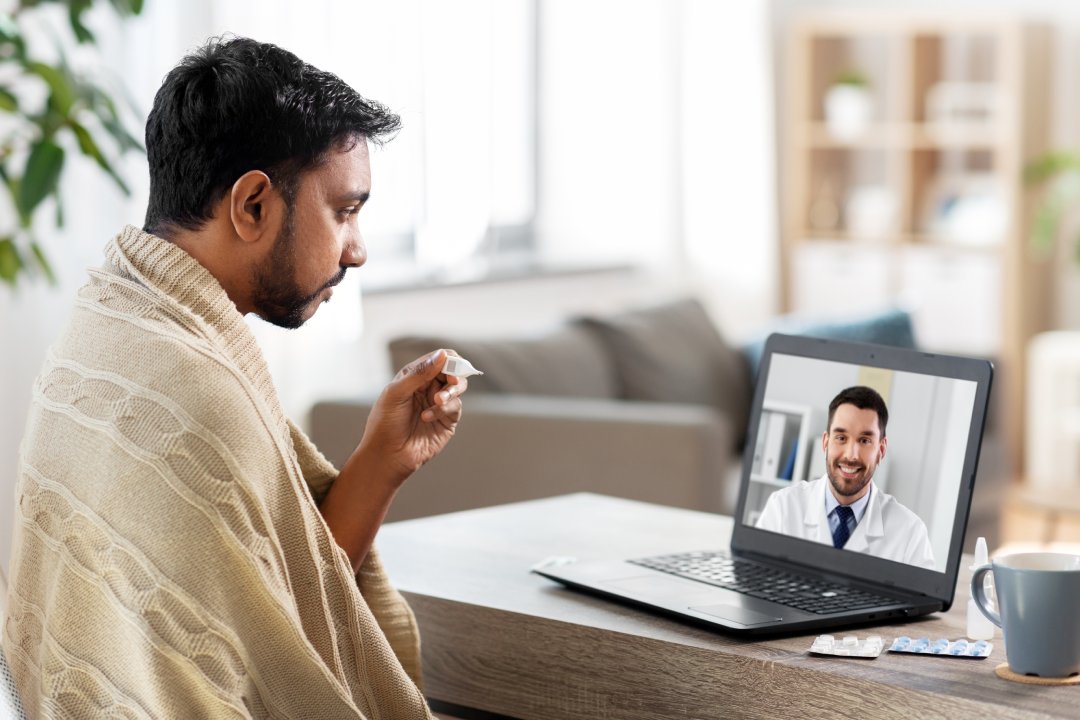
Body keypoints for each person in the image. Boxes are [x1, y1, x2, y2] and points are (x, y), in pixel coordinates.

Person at [2, 37, 464, 718]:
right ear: (252, 205)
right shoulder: (192, 387)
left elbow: (272, 609)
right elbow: (295, 658)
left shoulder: (106, 325)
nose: (358, 251)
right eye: (343, 210)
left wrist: (383, 462)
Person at [755, 386, 935, 569]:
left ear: (881, 450)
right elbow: (755, 580)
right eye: (841, 438)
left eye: (865, 441)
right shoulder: (783, 507)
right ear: (825, 443)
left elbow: (925, 598)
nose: (851, 455)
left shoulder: (910, 532)